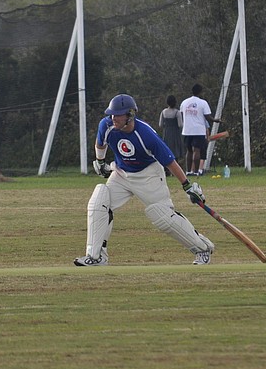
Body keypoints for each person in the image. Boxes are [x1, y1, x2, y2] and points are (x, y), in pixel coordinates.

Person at [74, 94, 215, 266]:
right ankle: (96, 256)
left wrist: (187, 186)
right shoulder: (107, 125)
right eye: (112, 114)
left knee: (164, 216)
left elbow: (170, 162)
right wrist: (100, 161)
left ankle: (202, 249)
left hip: (149, 175)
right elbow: (100, 144)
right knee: (99, 201)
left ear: (130, 115)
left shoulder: (146, 134)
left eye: (118, 115)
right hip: (121, 173)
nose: (113, 118)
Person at [180, 84, 220, 177]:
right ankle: (196, 171)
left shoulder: (184, 102)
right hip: (198, 130)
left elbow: (182, 114)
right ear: (200, 92)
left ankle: (188, 171)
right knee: (196, 150)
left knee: (189, 151)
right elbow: (207, 117)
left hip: (187, 130)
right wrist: (215, 120)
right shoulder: (203, 103)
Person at [158, 95, 183, 169]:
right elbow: (180, 125)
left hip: (166, 133)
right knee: (175, 152)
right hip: (175, 133)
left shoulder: (163, 112)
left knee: (166, 150)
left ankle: (166, 170)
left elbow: (160, 125)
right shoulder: (177, 112)